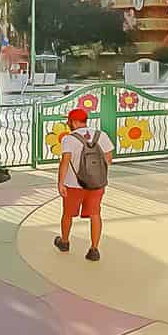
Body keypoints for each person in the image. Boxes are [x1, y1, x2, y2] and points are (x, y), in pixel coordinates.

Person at [56, 107, 114, 262]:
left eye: (68, 121)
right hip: (97, 184)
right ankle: (94, 250)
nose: (68, 124)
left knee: (68, 214)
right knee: (95, 215)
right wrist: (96, 175)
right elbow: (109, 160)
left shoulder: (69, 139)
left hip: (73, 185)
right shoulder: (101, 135)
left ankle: (65, 242)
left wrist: (60, 183)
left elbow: (65, 163)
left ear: (74, 122)